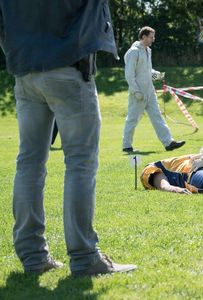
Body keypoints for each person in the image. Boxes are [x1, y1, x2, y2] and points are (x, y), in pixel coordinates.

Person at [0, 0, 136, 276]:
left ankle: (33, 255)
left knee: (29, 162)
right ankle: (85, 257)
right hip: (67, 68)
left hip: (25, 70)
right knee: (80, 163)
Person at [122, 26, 185, 153]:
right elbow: (129, 74)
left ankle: (168, 143)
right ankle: (126, 145)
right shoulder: (133, 51)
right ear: (143, 37)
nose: (153, 39)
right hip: (138, 93)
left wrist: (156, 74)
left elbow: (146, 71)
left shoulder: (148, 51)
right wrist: (136, 91)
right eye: (151, 37)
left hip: (150, 91)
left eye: (153, 37)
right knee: (132, 119)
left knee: (157, 117)